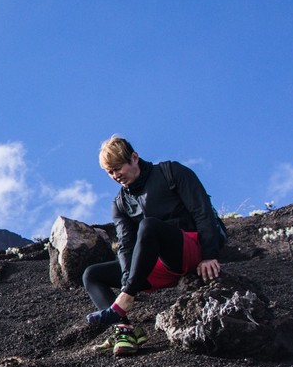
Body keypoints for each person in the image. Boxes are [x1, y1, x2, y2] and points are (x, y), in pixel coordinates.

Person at [82, 136, 226, 355]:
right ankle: (125, 331)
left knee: (149, 226)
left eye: (118, 168)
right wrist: (127, 278)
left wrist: (209, 254)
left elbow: (202, 211)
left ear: (134, 158)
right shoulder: (120, 203)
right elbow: (126, 246)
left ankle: (124, 299)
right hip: (156, 263)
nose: (115, 176)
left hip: (189, 249)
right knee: (92, 275)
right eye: (109, 172)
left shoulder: (171, 172)